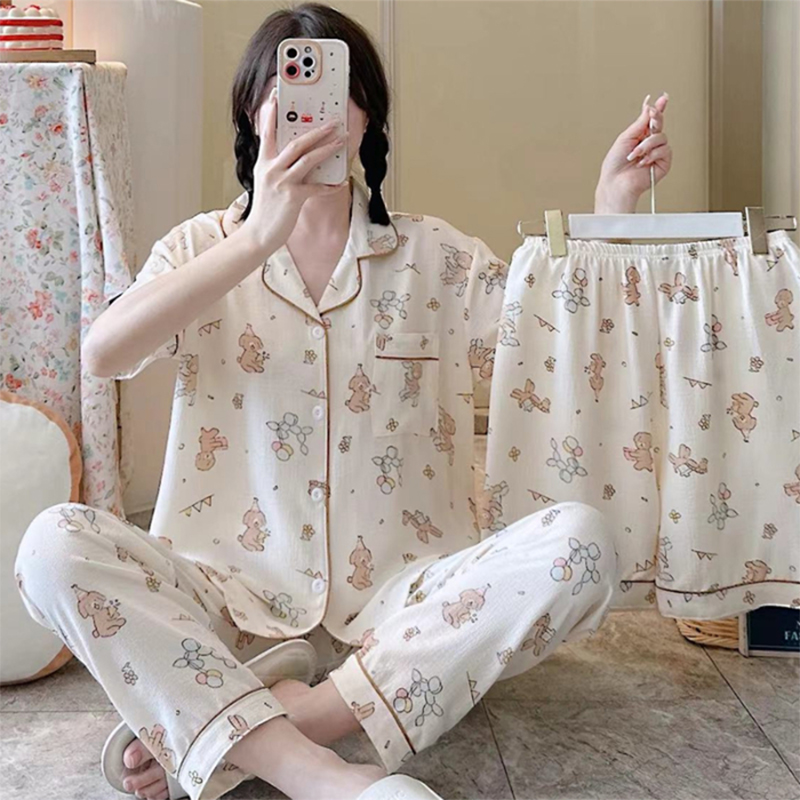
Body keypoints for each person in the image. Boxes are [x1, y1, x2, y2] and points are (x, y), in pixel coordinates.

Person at [15, 4, 672, 800]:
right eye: (285, 91)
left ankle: (268, 725)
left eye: (335, 90)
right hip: (226, 603)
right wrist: (256, 239)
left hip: (406, 611)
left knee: (584, 542)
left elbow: (560, 347)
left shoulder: (437, 256)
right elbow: (105, 354)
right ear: (253, 116)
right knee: (49, 546)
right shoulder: (200, 249)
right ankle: (315, 773)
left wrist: (611, 209)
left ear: (366, 117)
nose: (313, 112)